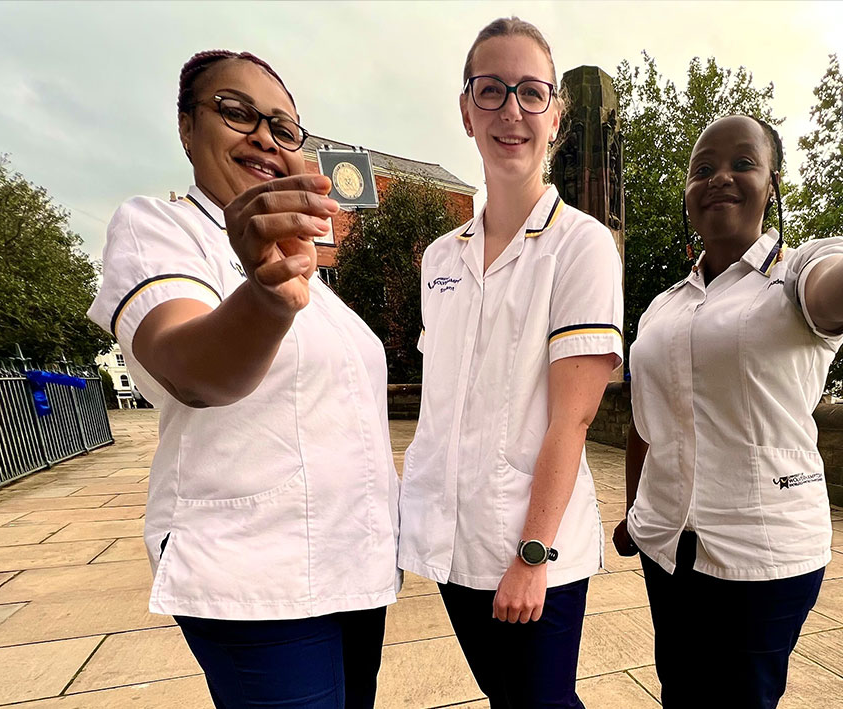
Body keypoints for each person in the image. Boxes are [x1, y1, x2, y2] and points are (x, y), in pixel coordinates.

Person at [615, 107, 843, 708]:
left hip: (760, 557)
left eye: (743, 163)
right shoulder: (663, 307)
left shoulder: (796, 273)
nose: (719, 178)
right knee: (680, 691)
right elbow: (643, 419)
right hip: (665, 545)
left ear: (772, 184)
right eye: (702, 168)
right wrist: (633, 513)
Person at [87, 50, 398, 709]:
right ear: (186, 127)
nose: (263, 135)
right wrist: (261, 297)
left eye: (284, 128)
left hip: (355, 568)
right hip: (258, 576)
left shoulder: (318, 280)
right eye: (236, 112)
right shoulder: (160, 229)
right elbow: (190, 369)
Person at [398, 17, 624, 708]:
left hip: (532, 552)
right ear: (466, 111)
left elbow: (573, 416)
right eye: (490, 91)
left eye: (531, 93)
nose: (511, 112)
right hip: (454, 547)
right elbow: (442, 408)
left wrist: (532, 556)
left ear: (554, 115)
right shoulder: (440, 257)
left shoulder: (578, 246)